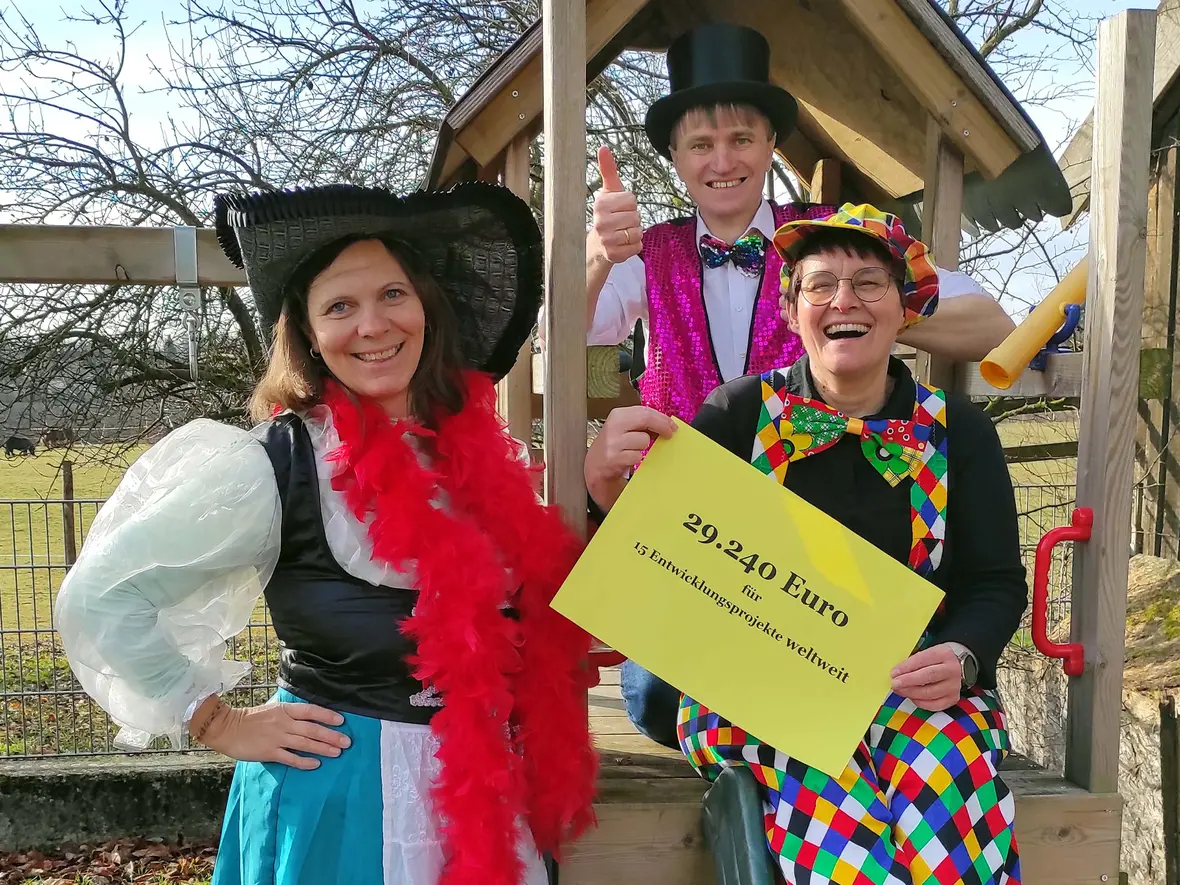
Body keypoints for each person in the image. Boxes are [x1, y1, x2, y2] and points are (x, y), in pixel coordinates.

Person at [54, 182, 598, 885]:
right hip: (336, 806)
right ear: (308, 334)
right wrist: (217, 721)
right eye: (340, 305)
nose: (373, 325)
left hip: (483, 809)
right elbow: (101, 596)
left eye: (392, 295)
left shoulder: (477, 458)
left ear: (425, 305)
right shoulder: (273, 464)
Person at [584, 22, 1017, 746]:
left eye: (742, 138)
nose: (723, 160)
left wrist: (861, 313)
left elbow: (989, 323)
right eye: (701, 143)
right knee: (659, 699)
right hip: (700, 548)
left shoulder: (832, 238)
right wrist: (594, 257)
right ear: (677, 158)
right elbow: (573, 342)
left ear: (770, 147)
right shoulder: (639, 254)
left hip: (822, 552)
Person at [587, 203, 1026, 884]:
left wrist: (963, 655)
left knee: (947, 780)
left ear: (904, 309)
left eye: (868, 283)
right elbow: (658, 548)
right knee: (848, 844)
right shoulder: (736, 414)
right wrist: (602, 483)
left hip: (914, 694)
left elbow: (995, 581)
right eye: (820, 284)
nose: (843, 300)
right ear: (793, 312)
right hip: (759, 696)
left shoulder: (959, 432)